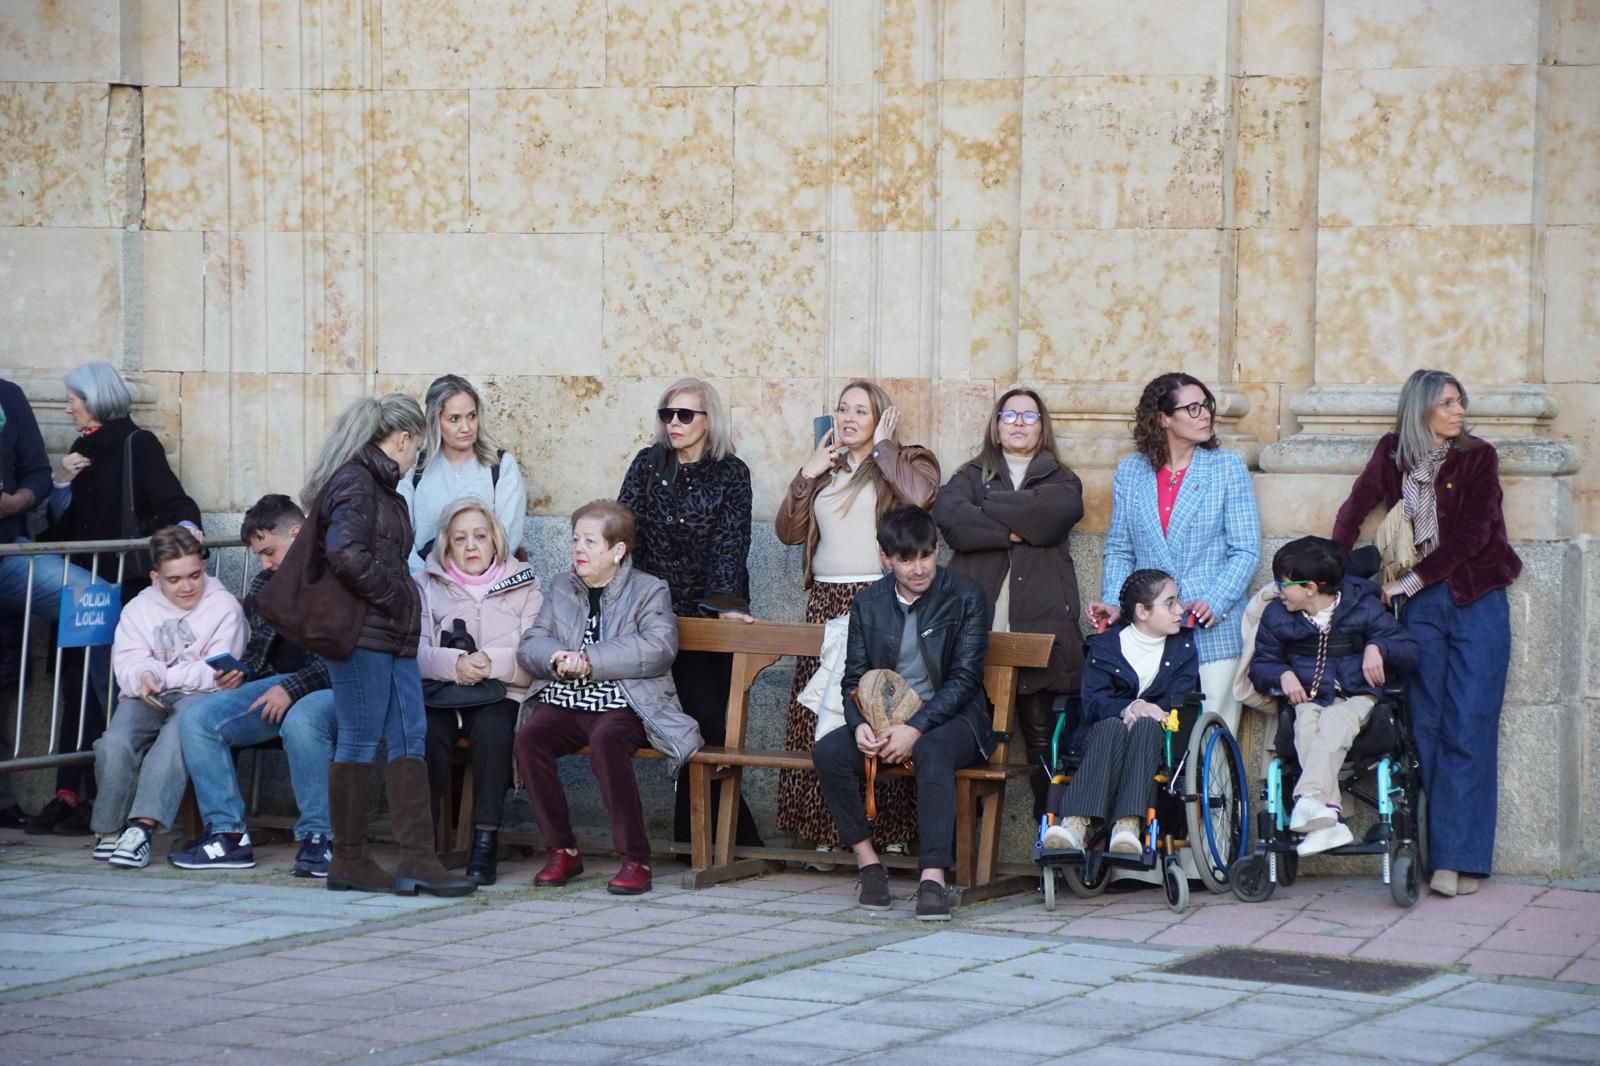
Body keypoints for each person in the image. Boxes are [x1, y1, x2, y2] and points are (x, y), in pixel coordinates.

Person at [1331, 369, 1520, 897]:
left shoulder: (1477, 456)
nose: (1459, 412)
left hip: (1476, 598)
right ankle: (1445, 856)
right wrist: (1330, 573)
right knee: (1429, 725)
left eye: (1461, 402)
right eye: (1447, 404)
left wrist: (1410, 581)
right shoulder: (1394, 453)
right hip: (1419, 610)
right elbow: (1355, 508)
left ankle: (1463, 861)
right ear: (1421, 410)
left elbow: (1474, 534)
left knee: (1470, 724)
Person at [303, 394, 475, 897]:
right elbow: (344, 553)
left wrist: (398, 605)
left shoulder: (379, 485)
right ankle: (349, 860)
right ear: (402, 439)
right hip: (364, 633)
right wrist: (397, 595)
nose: (413, 461)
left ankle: (418, 857)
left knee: (410, 733)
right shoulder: (358, 483)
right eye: (416, 451)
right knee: (357, 738)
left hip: (391, 634)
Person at [30, 362, 204, 836]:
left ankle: (106, 799)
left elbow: (172, 500)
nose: (66, 406)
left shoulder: (136, 443)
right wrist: (61, 482)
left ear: (96, 398)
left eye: (73, 398)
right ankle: (68, 793)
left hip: (121, 592)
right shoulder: (79, 449)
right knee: (74, 686)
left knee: (113, 693)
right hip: (78, 593)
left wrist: (188, 531)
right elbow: (65, 527)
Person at [774, 380, 939, 865]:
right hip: (826, 599)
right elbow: (788, 533)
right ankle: (825, 830)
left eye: (860, 411)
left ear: (881, 418)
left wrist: (886, 450)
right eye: (842, 409)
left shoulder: (906, 460)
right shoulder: (826, 465)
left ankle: (891, 831)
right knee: (819, 716)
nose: (847, 418)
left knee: (882, 710)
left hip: (880, 596)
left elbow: (922, 497)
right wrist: (806, 475)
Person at [513, 500, 703, 896]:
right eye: (575, 540)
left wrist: (589, 661)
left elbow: (658, 647)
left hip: (626, 702)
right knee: (529, 738)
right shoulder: (563, 586)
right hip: (567, 700)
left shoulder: (650, 589)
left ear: (618, 551)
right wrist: (554, 656)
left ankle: (636, 858)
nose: (578, 549)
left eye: (589, 541)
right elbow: (532, 641)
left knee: (606, 739)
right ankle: (562, 849)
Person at [812, 506, 991, 921]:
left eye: (925, 556)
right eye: (906, 559)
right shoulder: (868, 603)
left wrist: (915, 728)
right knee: (828, 753)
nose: (918, 568)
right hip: (886, 721)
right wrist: (859, 727)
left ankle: (932, 879)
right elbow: (853, 679)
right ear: (885, 558)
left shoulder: (965, 596)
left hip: (956, 719)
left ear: (936, 550)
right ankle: (869, 865)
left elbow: (965, 681)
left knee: (932, 751)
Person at [618, 377, 762, 855]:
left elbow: (730, 544)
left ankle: (708, 839)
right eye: (667, 414)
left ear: (709, 421)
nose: (674, 423)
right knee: (672, 723)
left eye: (684, 414)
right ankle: (715, 840)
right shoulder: (647, 464)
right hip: (651, 617)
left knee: (705, 724)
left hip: (706, 619)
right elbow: (623, 529)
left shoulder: (730, 473)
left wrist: (721, 608)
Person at [932, 386, 1085, 820]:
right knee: (967, 734)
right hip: (977, 632)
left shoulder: (1061, 479)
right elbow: (950, 516)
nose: (1019, 423)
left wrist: (989, 508)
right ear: (996, 425)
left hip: (1038, 628)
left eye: (1029, 416)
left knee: (1042, 740)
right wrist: (1018, 527)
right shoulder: (969, 474)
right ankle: (963, 841)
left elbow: (1054, 516)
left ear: (1043, 426)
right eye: (1009, 414)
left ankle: (1051, 830)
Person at [169, 496, 339, 876]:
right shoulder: (268, 581)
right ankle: (228, 836)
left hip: (336, 688)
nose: (264, 564)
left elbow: (343, 658)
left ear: (297, 533)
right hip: (276, 687)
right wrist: (241, 671)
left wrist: (292, 689)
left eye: (269, 551)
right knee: (197, 719)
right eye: (259, 555)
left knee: (302, 720)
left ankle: (319, 839)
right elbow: (262, 654)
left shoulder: (336, 573)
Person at [1089, 373, 1259, 735]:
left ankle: (1217, 796)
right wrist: (1115, 602)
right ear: (1164, 418)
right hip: (1152, 630)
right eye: (1192, 408)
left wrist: (1215, 600)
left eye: (1206, 406)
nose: (1205, 415)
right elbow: (1120, 549)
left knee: (1211, 737)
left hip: (1213, 627)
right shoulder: (1131, 472)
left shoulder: (1226, 468)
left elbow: (1245, 549)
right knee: (1154, 736)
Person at [1249, 536, 1420, 857]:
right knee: (1306, 722)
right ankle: (1329, 818)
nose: (1278, 590)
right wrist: (1281, 674)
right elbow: (1261, 666)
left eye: (1283, 583)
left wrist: (1378, 647)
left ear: (1310, 588)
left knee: (1335, 720)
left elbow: (1410, 652)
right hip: (1311, 695)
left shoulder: (1363, 607)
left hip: (1359, 695)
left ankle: (1308, 799)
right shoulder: (1277, 616)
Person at [89, 527, 246, 870]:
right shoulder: (139, 608)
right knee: (115, 741)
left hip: (203, 695)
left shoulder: (223, 606)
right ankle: (109, 830)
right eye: (175, 580)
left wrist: (156, 673)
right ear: (155, 577)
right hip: (147, 693)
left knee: (175, 738)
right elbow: (127, 663)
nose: (187, 587)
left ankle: (141, 830)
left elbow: (215, 673)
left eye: (195, 575)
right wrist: (143, 676)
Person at [417, 498, 543, 886]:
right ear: (447, 546)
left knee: (493, 731)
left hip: (502, 690)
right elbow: (414, 652)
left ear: (495, 541)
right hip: (442, 691)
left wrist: (490, 662)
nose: (471, 546)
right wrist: (454, 664)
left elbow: (536, 652)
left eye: (479, 536)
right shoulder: (424, 584)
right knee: (425, 734)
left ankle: (485, 840)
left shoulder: (526, 583)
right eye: (460, 539)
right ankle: (422, 847)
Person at [1043, 569, 1196, 855]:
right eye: (1171, 603)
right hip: (1101, 733)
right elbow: (1094, 702)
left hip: (1156, 738)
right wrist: (1131, 707)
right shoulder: (1105, 647)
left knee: (1147, 726)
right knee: (1112, 724)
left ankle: (1127, 825)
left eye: (1178, 602)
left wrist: (1147, 713)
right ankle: (1075, 824)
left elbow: (1181, 698)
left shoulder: (1183, 649)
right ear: (1143, 611)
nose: (1180, 610)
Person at [0, 376, 82, 827]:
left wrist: (18, 502)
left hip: (9, 551)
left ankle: (96, 761)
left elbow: (36, 471)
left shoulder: (7, 395)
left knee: (93, 599)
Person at [398, 374, 527, 574]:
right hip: (426, 580)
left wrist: (476, 581)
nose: (466, 427)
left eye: (472, 416)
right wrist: (427, 580)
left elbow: (507, 538)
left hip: (485, 584)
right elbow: (401, 537)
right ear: (436, 421)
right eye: (454, 419)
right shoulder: (415, 467)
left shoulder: (501, 466)